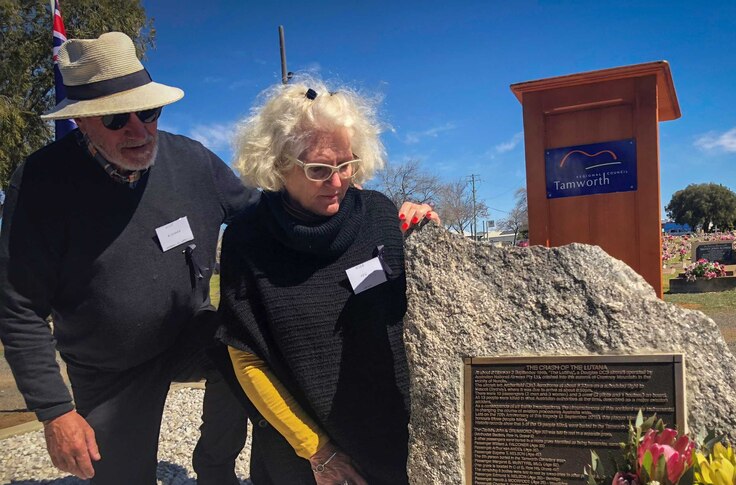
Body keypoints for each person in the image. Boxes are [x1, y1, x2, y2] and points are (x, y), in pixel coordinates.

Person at [0, 32, 254, 484]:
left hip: (188, 334)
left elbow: (264, 213)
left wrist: (367, 214)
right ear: (83, 122)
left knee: (246, 340)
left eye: (149, 112)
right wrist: (55, 412)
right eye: (117, 118)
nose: (139, 130)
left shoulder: (193, 161)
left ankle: (215, 470)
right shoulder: (41, 183)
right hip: (108, 366)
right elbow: (19, 306)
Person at [217, 77, 438, 485]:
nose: (338, 182)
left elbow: (414, 314)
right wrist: (318, 451)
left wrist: (429, 243)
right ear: (280, 163)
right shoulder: (246, 240)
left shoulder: (379, 216)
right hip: (302, 453)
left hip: (391, 441)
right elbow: (246, 356)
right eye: (319, 169)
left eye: (346, 164)